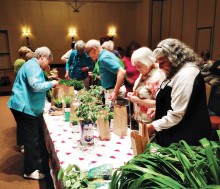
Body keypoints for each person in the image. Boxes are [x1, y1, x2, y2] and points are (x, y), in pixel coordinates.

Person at [146, 38, 212, 147]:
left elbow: (177, 114)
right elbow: (175, 100)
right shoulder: (176, 70)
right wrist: (159, 108)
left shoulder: (187, 74)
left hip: (186, 139)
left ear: (175, 58)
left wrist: (152, 126)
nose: (160, 67)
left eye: (162, 62)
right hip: (174, 134)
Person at [8, 46, 59, 179]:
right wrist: (51, 83)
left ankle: (34, 163)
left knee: (32, 137)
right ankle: (30, 170)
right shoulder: (33, 66)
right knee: (32, 139)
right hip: (25, 107)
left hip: (24, 105)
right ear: (42, 57)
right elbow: (35, 86)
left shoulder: (32, 65)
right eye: (48, 61)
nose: (48, 64)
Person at [127, 47, 165, 124]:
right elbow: (144, 92)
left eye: (139, 65)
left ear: (147, 61)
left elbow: (161, 102)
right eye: (136, 66)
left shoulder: (157, 76)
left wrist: (139, 100)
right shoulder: (144, 73)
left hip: (151, 122)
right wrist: (134, 94)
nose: (137, 68)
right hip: (141, 119)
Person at [85, 39, 126, 106]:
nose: (88, 56)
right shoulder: (105, 54)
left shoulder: (103, 58)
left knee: (113, 115)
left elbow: (121, 72)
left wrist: (115, 92)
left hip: (113, 92)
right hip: (111, 90)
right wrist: (105, 87)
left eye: (87, 53)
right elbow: (110, 74)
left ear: (94, 49)